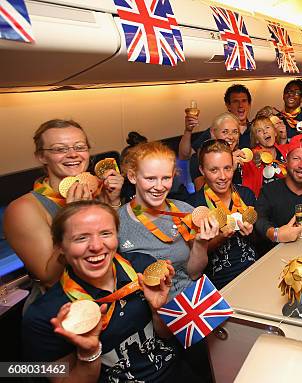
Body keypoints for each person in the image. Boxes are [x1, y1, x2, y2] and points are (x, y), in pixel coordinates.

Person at [22, 201, 213, 382]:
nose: (96, 246)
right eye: (81, 238)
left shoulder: (143, 267)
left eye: (106, 233)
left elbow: (165, 336)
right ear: (60, 247)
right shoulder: (44, 316)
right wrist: (89, 354)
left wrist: (158, 310)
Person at [4, 119, 123, 298]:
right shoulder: (23, 209)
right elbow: (49, 278)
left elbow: (118, 248)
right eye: (60, 149)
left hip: (113, 291)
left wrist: (113, 202)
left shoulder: (98, 190)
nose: (73, 154)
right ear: (41, 156)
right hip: (64, 306)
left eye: (80, 147)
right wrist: (73, 215)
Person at [119, 141, 216, 299]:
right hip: (144, 311)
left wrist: (201, 243)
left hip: (188, 304)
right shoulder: (117, 223)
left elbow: (193, 273)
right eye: (150, 179)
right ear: (132, 176)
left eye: (166, 178)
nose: (159, 186)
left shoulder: (185, 212)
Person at [187, 139, 259, 289]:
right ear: (202, 170)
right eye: (214, 170)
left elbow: (261, 241)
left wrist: (251, 233)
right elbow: (192, 258)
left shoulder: (246, 195)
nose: (223, 176)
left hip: (254, 272)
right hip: (220, 285)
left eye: (227, 168)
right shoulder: (194, 206)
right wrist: (220, 238)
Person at [255, 134, 302, 248]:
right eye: (296, 158)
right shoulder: (270, 190)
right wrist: (275, 234)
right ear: (287, 161)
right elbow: (259, 219)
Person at [180, 84, 253, 162]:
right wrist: (188, 131)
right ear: (228, 105)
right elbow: (185, 156)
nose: (240, 105)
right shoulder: (216, 130)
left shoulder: (256, 129)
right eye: (235, 101)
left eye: (244, 101)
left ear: (249, 104)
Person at [241, 116, 288, 197]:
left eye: (267, 127)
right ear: (256, 139)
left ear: (275, 133)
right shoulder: (252, 157)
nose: (265, 131)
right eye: (259, 130)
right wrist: (255, 159)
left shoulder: (286, 151)